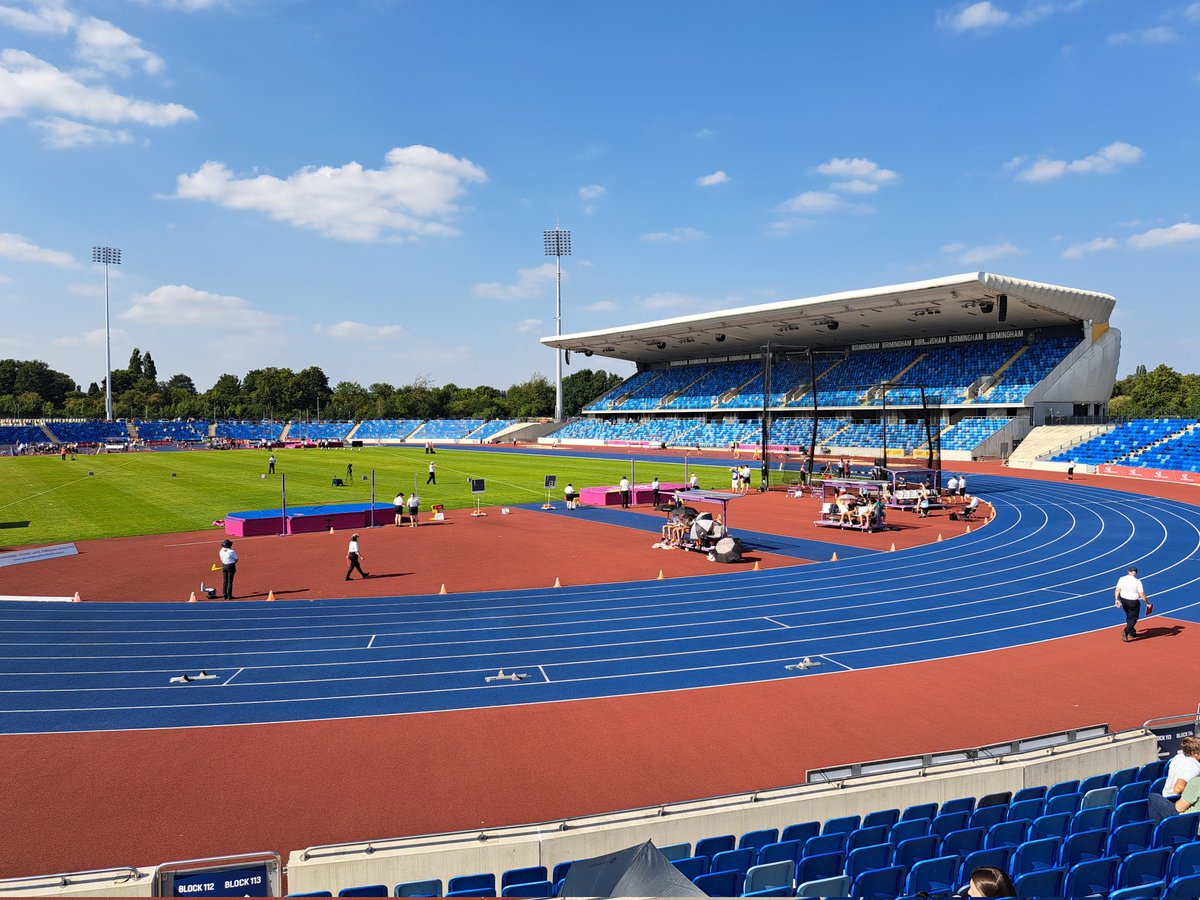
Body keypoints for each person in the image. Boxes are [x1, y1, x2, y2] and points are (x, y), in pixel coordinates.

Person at [1114, 565, 1151, 642]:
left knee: (1129, 616)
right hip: (1133, 602)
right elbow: (1142, 595)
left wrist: (1117, 599)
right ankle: (1126, 631)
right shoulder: (1137, 582)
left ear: (1128, 572)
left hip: (1123, 600)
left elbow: (1117, 590)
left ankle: (1132, 632)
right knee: (1133, 618)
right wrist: (1147, 603)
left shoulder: (1122, 579)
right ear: (1136, 573)